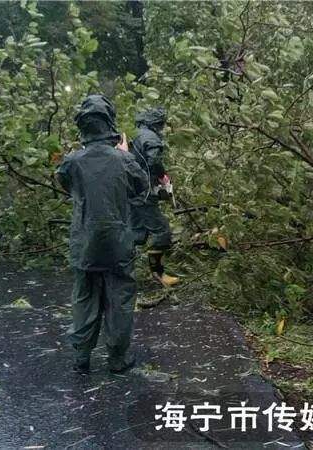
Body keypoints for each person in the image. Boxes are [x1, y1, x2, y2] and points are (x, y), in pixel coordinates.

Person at [55, 94, 149, 375]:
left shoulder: (72, 161)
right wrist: (123, 153)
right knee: (119, 298)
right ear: (109, 123)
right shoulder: (124, 160)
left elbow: (66, 184)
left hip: (85, 242)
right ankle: (117, 359)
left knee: (84, 297)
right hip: (118, 241)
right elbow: (141, 189)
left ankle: (81, 357)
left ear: (82, 126)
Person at [129, 107, 180, 287]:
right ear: (156, 123)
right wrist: (162, 176)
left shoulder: (133, 135)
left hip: (131, 192)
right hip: (144, 193)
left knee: (136, 234)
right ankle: (158, 273)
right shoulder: (150, 137)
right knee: (162, 231)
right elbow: (154, 160)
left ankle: (119, 274)